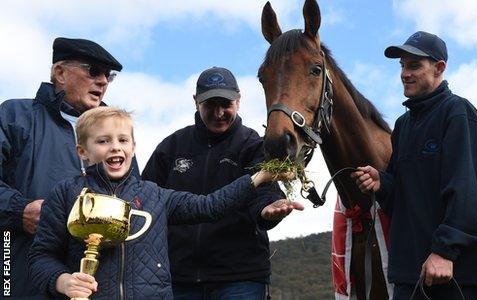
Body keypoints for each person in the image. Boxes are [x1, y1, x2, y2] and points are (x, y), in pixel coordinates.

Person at [27, 106, 303, 299]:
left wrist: (260, 176)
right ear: (83, 152)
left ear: (133, 148)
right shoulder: (65, 194)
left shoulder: (155, 195)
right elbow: (41, 257)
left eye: (123, 140)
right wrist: (63, 282)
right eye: (103, 141)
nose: (115, 147)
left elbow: (209, 205)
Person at [351, 31, 477, 299]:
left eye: (414, 65)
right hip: (408, 276)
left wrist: (444, 252)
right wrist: (383, 183)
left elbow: (466, 191)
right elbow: (399, 202)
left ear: (439, 68)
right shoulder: (403, 126)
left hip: (453, 276)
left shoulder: (458, 113)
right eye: (402, 66)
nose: (405, 73)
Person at [0, 37, 138, 299]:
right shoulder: (13, 115)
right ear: (60, 73)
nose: (103, 81)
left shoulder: (116, 133)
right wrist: (19, 212)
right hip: (20, 275)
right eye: (93, 71)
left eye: (109, 76)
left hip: (99, 285)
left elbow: (136, 197)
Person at [141, 66, 287, 299]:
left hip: (239, 278)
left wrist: (268, 209)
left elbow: (265, 192)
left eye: (225, 104)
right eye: (210, 105)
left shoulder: (253, 145)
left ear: (238, 101)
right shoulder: (172, 146)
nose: (218, 113)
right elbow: (144, 199)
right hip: (179, 277)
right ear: (195, 102)